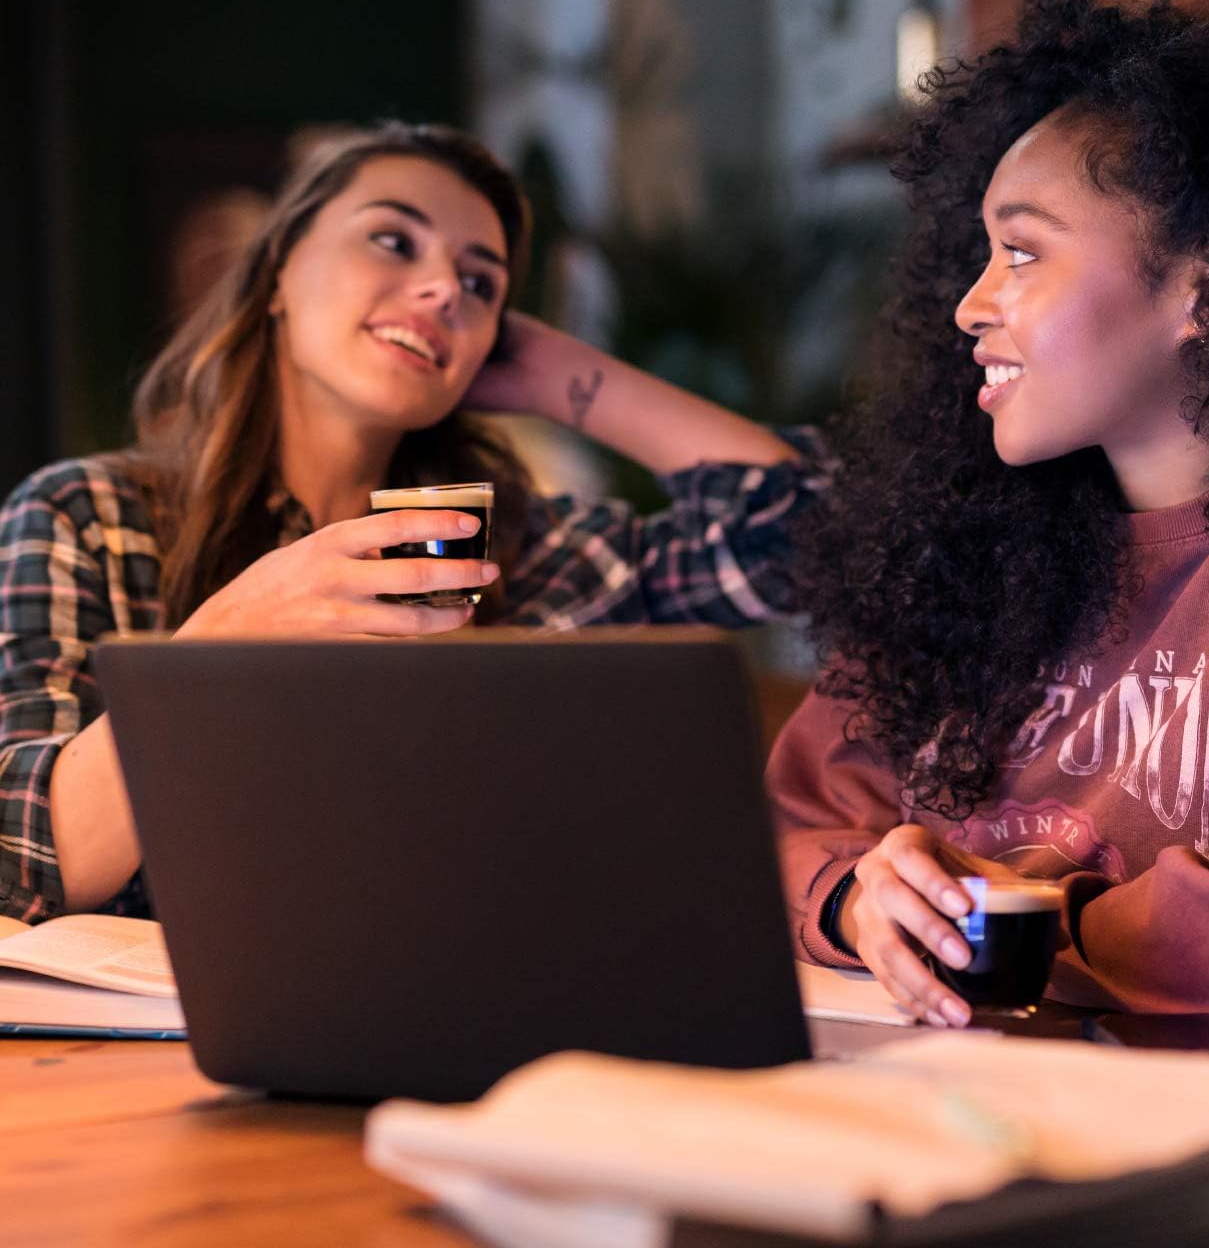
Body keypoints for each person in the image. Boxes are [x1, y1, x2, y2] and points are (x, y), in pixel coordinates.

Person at [770, 0, 1209, 1054]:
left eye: (1023, 252)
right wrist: (860, 900)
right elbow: (785, 829)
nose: (969, 305)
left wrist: (1003, 921)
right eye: (980, 254)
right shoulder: (964, 552)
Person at [1, 122, 823, 923]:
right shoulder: (89, 521)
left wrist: (567, 378)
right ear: (279, 270)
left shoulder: (527, 556)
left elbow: (822, 541)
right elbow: (24, 863)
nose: (442, 290)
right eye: (395, 241)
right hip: (158, 1050)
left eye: (482, 285)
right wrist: (217, 646)